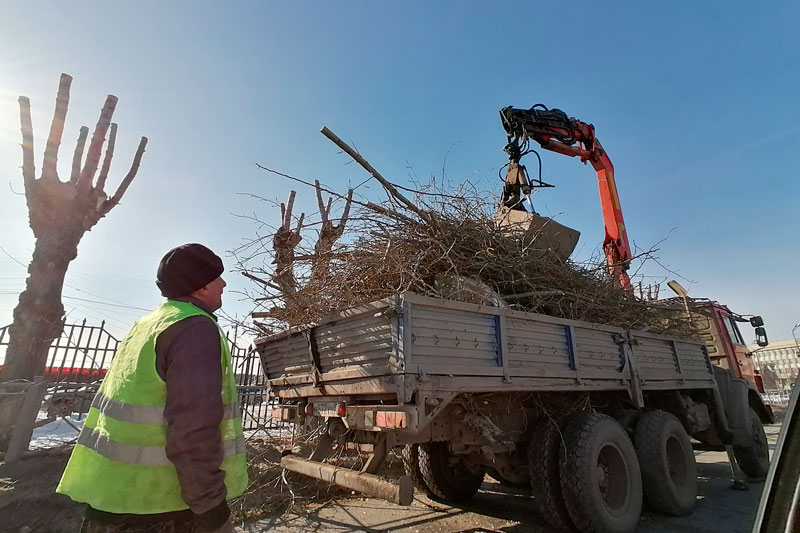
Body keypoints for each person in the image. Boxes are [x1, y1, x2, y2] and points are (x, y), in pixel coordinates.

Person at [57, 244, 248, 533]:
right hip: (159, 509)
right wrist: (210, 506)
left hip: (112, 498)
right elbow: (193, 426)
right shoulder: (194, 328)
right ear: (199, 287)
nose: (223, 283)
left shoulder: (148, 325)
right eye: (216, 277)